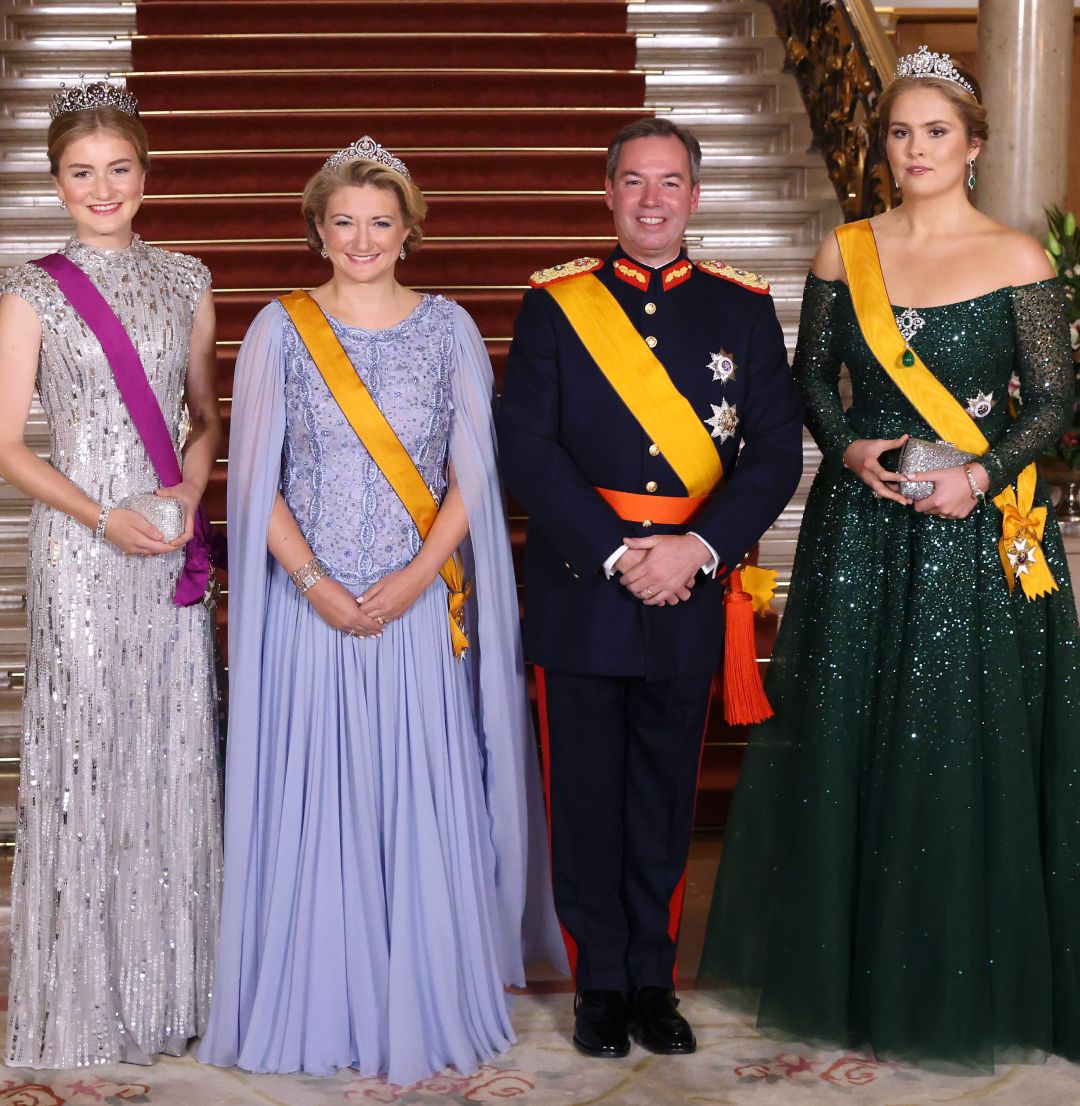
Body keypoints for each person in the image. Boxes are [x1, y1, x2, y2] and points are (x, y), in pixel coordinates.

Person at [699, 47, 1080, 1067]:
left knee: (956, 747)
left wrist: (982, 475)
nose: (916, 150)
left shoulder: (1020, 258)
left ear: (975, 146)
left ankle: (962, 974)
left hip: (970, 540)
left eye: (936, 133)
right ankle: (859, 972)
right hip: (860, 530)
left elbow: (1054, 400)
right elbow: (809, 382)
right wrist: (850, 444)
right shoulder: (845, 248)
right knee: (853, 742)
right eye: (901, 133)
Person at [198, 137, 564, 1086]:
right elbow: (253, 480)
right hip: (311, 607)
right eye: (345, 223)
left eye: (381, 223)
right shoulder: (282, 327)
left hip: (413, 608)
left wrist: (413, 577)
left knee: (415, 795)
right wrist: (315, 581)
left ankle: (425, 992)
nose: (363, 239)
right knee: (320, 800)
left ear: (410, 231)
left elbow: (472, 477)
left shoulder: (448, 330)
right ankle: (318, 998)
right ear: (318, 229)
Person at [496, 117, 804, 1059]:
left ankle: (651, 981)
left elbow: (775, 455)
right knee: (585, 796)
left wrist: (696, 549)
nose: (652, 200)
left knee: (663, 796)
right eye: (634, 182)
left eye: (670, 183)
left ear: (696, 198)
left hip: (691, 589)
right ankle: (598, 984)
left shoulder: (743, 308)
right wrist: (624, 554)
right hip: (583, 586)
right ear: (608, 195)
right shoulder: (556, 305)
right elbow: (527, 451)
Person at [0, 80, 223, 1067]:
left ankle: (173, 990)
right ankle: (85, 1002)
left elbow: (205, 415)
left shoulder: (187, 277)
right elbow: (5, 443)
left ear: (145, 174)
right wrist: (105, 515)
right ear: (56, 181)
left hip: (165, 548)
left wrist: (183, 498)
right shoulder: (31, 289)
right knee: (88, 755)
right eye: (82, 172)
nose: (102, 187)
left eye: (118, 169)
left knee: (170, 746)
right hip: (82, 553)